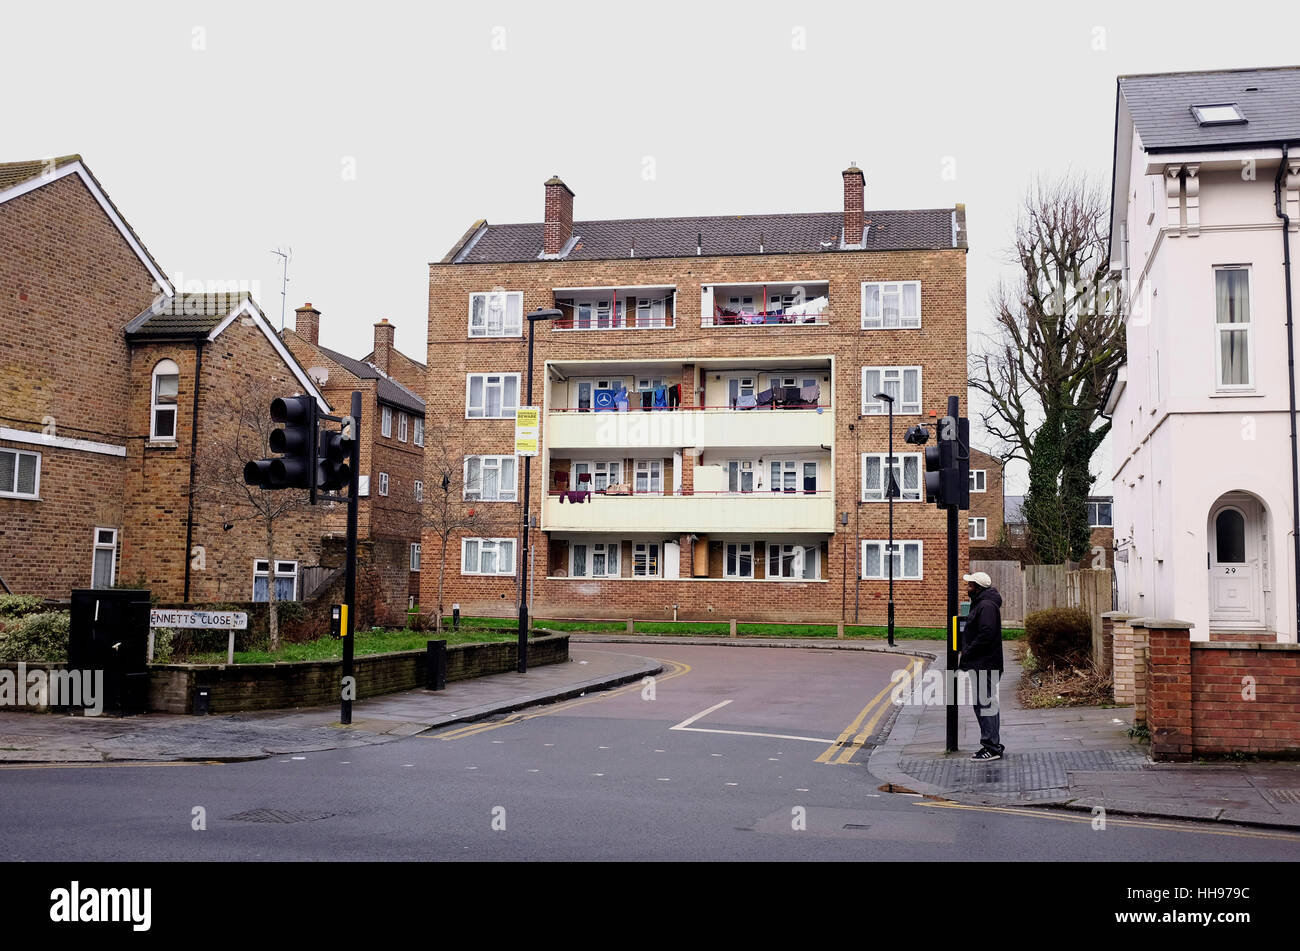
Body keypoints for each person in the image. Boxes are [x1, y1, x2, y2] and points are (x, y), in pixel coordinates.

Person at [959, 571, 1005, 761]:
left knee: (984, 704)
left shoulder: (985, 606)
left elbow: (986, 634)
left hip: (984, 663)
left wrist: (968, 651)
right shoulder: (983, 603)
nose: (967, 588)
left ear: (978, 588)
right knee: (985, 704)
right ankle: (992, 743)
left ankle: (991, 747)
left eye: (970, 585)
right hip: (984, 662)